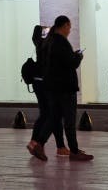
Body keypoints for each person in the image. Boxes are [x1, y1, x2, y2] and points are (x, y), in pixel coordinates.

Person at [30, 15, 93, 162]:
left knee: (55, 117)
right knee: (69, 120)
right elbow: (70, 63)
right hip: (65, 87)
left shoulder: (49, 42)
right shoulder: (61, 42)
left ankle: (39, 144)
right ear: (64, 26)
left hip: (52, 86)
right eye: (69, 27)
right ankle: (75, 151)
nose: (70, 30)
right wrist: (78, 57)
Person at [25, 25, 62, 160]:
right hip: (43, 83)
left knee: (46, 113)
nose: (47, 32)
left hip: (38, 83)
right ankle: (36, 143)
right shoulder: (43, 45)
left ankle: (36, 143)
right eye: (44, 31)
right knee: (50, 114)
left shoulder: (39, 44)